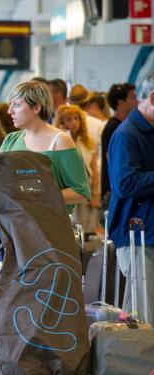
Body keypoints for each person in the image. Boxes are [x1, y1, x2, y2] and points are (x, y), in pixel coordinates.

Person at [0, 80, 90, 213]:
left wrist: (35, 195)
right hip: (15, 225)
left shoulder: (60, 141)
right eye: (10, 104)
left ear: (36, 107)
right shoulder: (11, 140)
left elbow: (81, 192)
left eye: (17, 105)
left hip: (50, 226)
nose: (9, 111)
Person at [107, 72, 154, 324]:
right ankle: (141, 363)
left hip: (149, 234)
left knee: (139, 312)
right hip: (137, 236)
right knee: (142, 315)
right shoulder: (127, 134)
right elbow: (125, 184)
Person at [56, 104, 101, 234]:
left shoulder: (87, 141)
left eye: (76, 118)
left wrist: (96, 194)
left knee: (86, 226)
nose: (74, 122)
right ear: (62, 122)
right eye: (69, 119)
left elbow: (95, 170)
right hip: (67, 187)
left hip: (86, 186)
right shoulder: (58, 141)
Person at [102, 83, 137, 205]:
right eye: (132, 98)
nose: (137, 101)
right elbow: (112, 160)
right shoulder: (114, 128)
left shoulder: (124, 127)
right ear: (121, 102)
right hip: (114, 191)